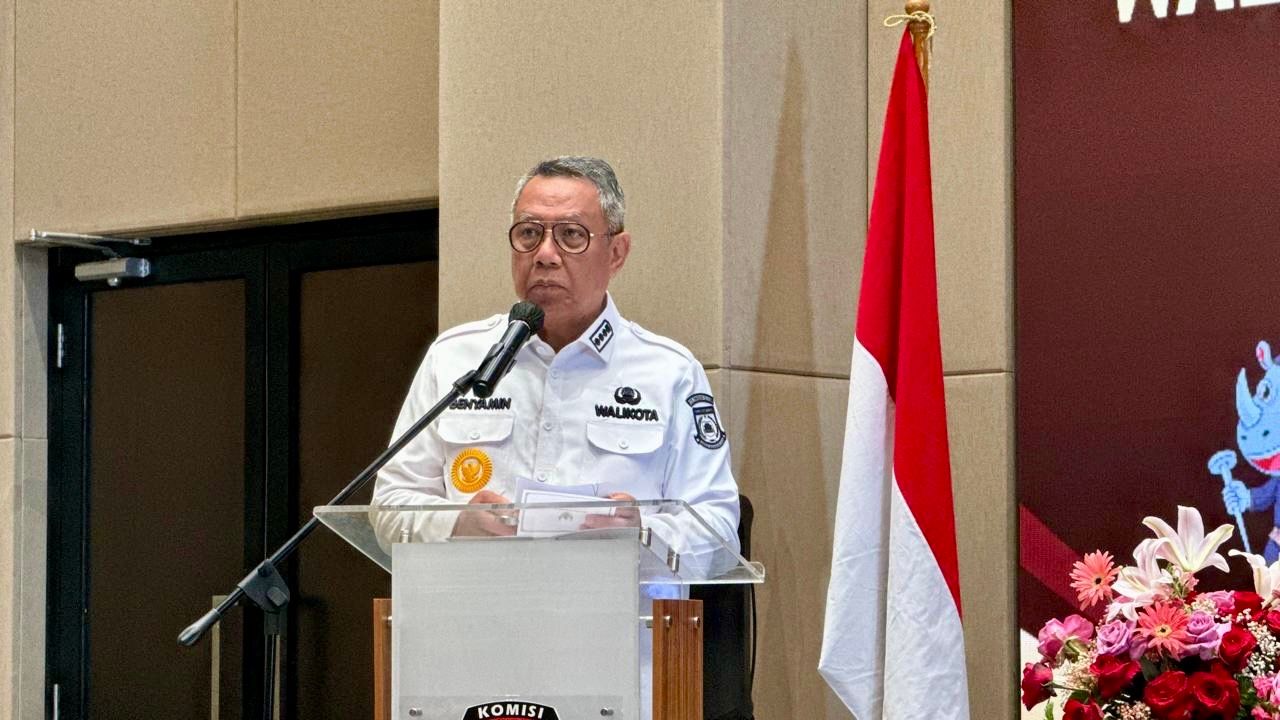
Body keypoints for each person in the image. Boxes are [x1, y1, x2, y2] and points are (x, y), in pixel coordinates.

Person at [371, 154, 740, 551]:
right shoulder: (455, 358)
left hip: (611, 592)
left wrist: (642, 533)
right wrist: (457, 524)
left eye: (571, 235)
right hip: (479, 590)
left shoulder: (669, 372)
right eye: (529, 233)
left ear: (616, 253)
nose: (545, 253)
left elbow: (718, 525)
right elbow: (390, 504)